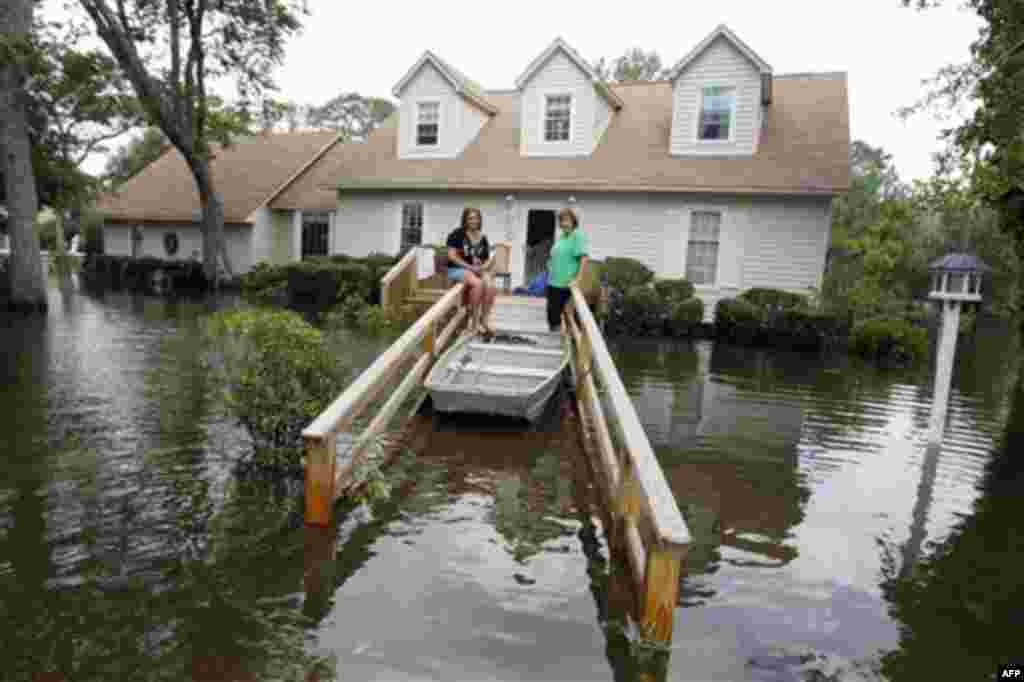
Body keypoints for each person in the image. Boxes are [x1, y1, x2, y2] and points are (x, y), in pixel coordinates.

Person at [446, 207, 498, 335]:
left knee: (490, 286)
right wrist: (471, 267)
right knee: (478, 284)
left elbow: (486, 259)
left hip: (476, 270)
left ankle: (484, 319)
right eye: (470, 218)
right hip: (458, 269)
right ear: (465, 220)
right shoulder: (457, 234)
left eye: (476, 218)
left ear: (480, 220)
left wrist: (484, 265)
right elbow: (452, 256)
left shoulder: (483, 237)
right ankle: (473, 322)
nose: (474, 221)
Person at [546, 207, 589, 333]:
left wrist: (578, 279)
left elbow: (583, 258)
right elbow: (555, 255)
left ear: (573, 222)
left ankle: (562, 342)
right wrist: (549, 263)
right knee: (551, 314)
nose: (564, 223)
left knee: (563, 314)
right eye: (562, 221)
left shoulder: (577, 236)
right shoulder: (561, 237)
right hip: (553, 281)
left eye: (567, 220)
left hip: (566, 284)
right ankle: (555, 337)